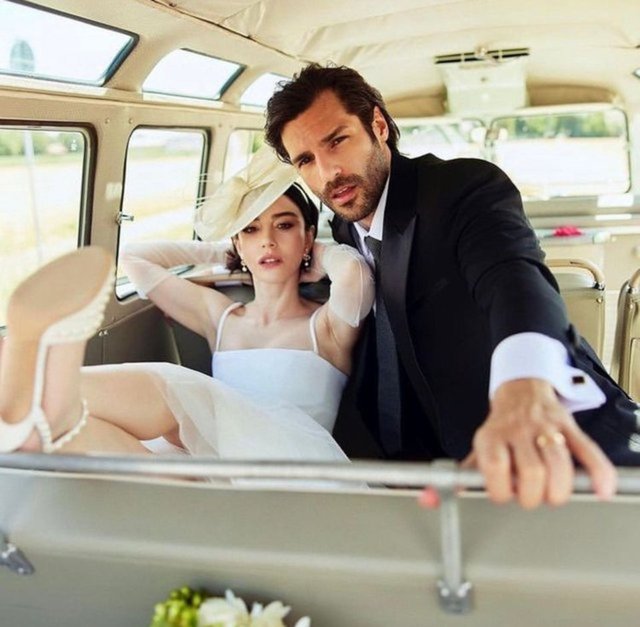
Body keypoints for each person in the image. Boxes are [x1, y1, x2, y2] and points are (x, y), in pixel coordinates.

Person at [264, 63, 640, 508]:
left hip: (568, 439)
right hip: (440, 470)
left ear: (378, 126)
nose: (327, 173)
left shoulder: (460, 189)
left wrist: (525, 381)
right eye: (306, 160)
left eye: (337, 141)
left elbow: (514, 278)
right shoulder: (345, 227)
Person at [0, 146, 374, 467]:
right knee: (92, 432)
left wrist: (317, 253)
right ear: (237, 242)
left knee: (176, 386)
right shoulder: (221, 317)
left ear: (308, 235)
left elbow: (354, 273)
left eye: (285, 226)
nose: (268, 242)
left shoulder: (326, 327)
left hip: (294, 461)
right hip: (215, 461)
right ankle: (44, 420)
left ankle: (40, 398)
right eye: (251, 229)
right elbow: (135, 258)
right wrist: (230, 253)